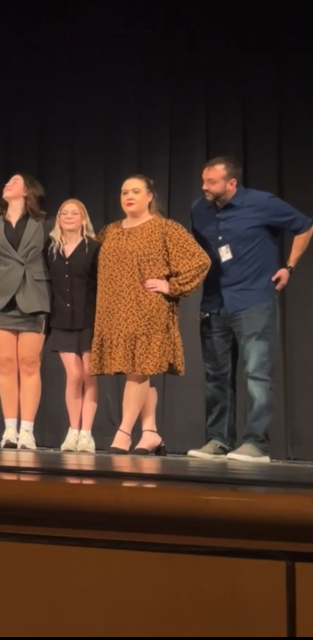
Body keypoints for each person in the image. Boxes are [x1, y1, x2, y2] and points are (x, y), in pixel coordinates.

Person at [187, 156, 313, 463]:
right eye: (203, 180)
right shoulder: (198, 209)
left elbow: (305, 226)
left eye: (211, 182)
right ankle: (217, 440)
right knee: (216, 375)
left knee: (256, 373)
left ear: (231, 183)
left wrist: (289, 267)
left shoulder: (261, 203)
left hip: (253, 299)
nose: (204, 187)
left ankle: (256, 444)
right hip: (215, 302)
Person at [91, 175, 210, 455]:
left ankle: (123, 432)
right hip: (114, 311)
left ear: (149, 196)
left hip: (147, 310)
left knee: (139, 369)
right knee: (141, 373)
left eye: (135, 191)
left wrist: (172, 286)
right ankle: (150, 432)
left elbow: (200, 261)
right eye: (124, 192)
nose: (128, 196)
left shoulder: (164, 229)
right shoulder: (109, 231)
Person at [0, 173, 54, 450]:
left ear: (27, 191)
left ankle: (27, 431)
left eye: (14, 181)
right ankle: (9, 429)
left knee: (29, 363)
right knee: (5, 364)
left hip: (34, 297)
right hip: (2, 297)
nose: (7, 184)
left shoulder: (44, 223)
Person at [46, 199, 100, 453]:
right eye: (63, 212)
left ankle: (86, 433)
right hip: (62, 321)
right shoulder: (50, 248)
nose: (68, 216)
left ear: (83, 218)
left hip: (89, 320)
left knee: (89, 373)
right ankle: (73, 431)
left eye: (74, 212)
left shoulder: (95, 248)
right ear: (58, 219)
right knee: (74, 374)